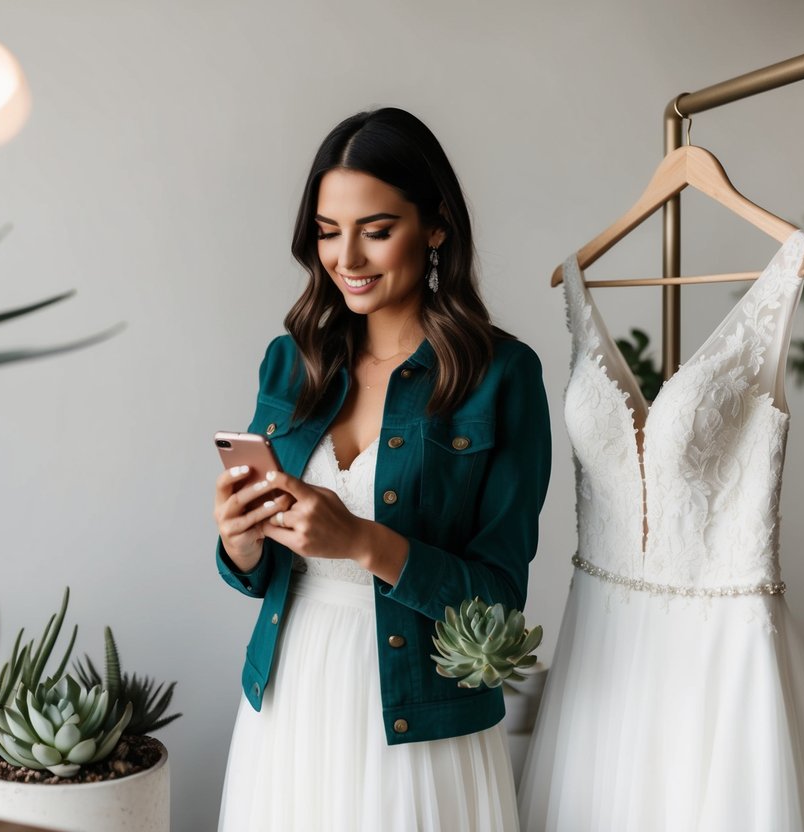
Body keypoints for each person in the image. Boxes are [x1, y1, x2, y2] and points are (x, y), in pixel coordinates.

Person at [213, 107, 552, 832]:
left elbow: (498, 604)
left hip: (417, 714)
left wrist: (364, 542)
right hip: (288, 694)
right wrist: (240, 545)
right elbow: (263, 569)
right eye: (328, 232)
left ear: (434, 227)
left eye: (376, 230)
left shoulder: (501, 376)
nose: (347, 260)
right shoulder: (291, 359)